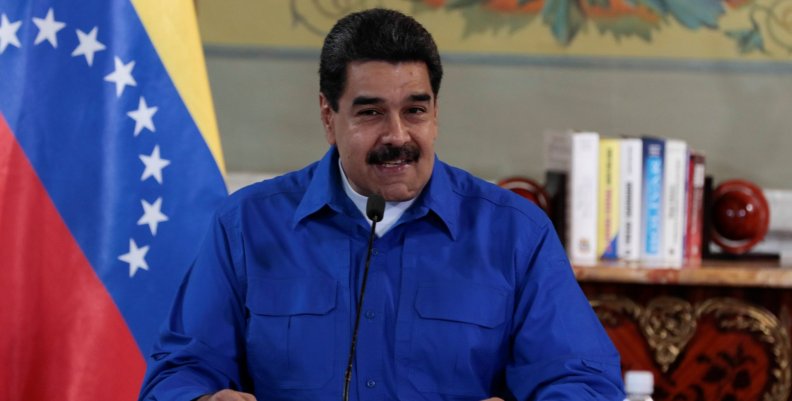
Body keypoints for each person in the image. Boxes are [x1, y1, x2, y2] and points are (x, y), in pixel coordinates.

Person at [138, 8, 624, 401]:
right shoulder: (245, 225)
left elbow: (585, 382)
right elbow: (176, 375)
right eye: (370, 113)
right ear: (329, 117)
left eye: (415, 110)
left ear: (436, 112)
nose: (397, 136)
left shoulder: (517, 233)